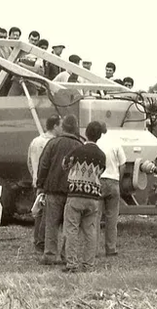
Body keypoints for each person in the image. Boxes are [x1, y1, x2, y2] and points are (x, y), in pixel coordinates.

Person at [60, 121, 107, 272]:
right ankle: (88, 264)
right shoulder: (102, 155)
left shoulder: (77, 150)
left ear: (86, 133)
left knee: (71, 229)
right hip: (93, 197)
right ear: (99, 136)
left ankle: (72, 264)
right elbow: (102, 172)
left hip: (76, 195)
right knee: (91, 231)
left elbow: (65, 164)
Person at [36, 115, 83, 265]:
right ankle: (65, 255)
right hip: (73, 191)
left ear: (63, 127)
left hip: (53, 189)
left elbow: (43, 166)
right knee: (70, 226)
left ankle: (49, 255)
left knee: (51, 224)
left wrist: (40, 186)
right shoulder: (80, 146)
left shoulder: (52, 143)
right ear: (75, 128)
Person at [28, 115, 60, 252]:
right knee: (49, 214)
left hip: (37, 181)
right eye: (60, 125)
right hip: (49, 183)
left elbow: (29, 161)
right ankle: (43, 242)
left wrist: (34, 176)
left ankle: (37, 240)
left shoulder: (35, 141)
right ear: (55, 126)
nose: (62, 128)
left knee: (39, 212)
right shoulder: (55, 143)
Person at [96, 121, 126, 257]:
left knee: (95, 217)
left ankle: (94, 248)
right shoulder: (115, 143)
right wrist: (118, 177)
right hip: (113, 181)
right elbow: (123, 163)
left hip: (99, 180)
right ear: (106, 129)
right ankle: (111, 248)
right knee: (112, 218)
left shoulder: (96, 143)